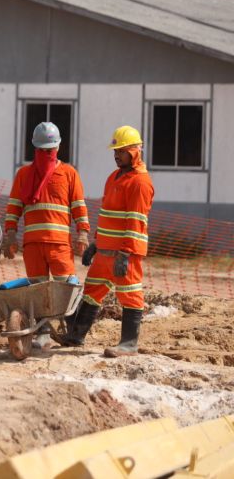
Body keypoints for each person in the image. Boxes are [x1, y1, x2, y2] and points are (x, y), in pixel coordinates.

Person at [52, 125, 154, 357]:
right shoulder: (114, 178)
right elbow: (108, 216)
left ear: (135, 151)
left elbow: (135, 221)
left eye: (121, 151)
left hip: (123, 254)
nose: (117, 155)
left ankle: (129, 344)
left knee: (129, 294)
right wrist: (96, 244)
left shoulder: (140, 182)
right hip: (105, 252)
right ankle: (75, 336)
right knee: (91, 292)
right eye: (115, 151)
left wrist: (125, 254)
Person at [2, 122, 90, 347]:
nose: (46, 154)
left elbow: (79, 206)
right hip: (33, 246)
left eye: (49, 150)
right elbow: (14, 207)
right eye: (42, 150)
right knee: (39, 291)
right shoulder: (24, 174)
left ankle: (73, 335)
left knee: (66, 288)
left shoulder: (69, 174)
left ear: (58, 147)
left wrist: (82, 233)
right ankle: (43, 335)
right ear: (35, 149)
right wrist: (10, 234)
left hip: (59, 245)